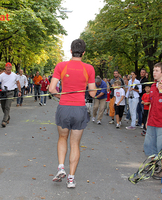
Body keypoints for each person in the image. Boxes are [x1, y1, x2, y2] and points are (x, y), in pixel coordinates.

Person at [49, 39, 96, 188]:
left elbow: (51, 89)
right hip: (79, 108)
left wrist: (61, 96)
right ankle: (71, 178)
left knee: (62, 137)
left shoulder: (61, 66)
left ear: (70, 51)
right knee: (75, 143)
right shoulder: (89, 68)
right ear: (83, 52)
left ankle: (61, 167)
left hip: (64, 107)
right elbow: (93, 94)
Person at [0, 62, 21, 127]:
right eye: (7, 67)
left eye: (9, 67)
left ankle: (4, 121)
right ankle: (7, 117)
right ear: (5, 68)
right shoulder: (2, 75)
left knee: (7, 106)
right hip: (3, 92)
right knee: (3, 106)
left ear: (11, 68)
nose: (8, 69)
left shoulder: (14, 75)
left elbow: (18, 83)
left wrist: (19, 91)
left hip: (11, 92)